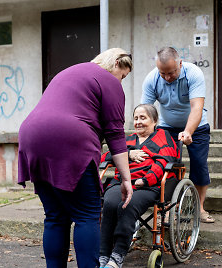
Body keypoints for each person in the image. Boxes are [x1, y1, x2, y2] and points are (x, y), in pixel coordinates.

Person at [17, 48, 134, 268]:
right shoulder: (108, 80)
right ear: (117, 63)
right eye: (123, 76)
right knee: (87, 216)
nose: (121, 82)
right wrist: (126, 179)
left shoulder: (69, 72)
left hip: (31, 136)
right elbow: (115, 134)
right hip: (70, 139)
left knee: (55, 216)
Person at [99, 104, 178, 268]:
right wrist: (128, 153)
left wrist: (146, 180)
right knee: (109, 204)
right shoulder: (128, 140)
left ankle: (118, 255)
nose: (138, 122)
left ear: (154, 120)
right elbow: (105, 157)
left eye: (143, 118)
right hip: (122, 181)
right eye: (136, 118)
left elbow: (165, 162)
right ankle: (103, 254)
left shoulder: (164, 138)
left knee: (127, 205)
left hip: (148, 185)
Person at [141, 47, 214, 223]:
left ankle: (200, 208)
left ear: (180, 64)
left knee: (199, 164)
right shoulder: (152, 79)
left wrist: (188, 132)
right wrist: (144, 132)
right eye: (163, 73)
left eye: (171, 73)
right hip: (167, 127)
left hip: (197, 127)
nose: (167, 77)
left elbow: (197, 107)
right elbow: (147, 110)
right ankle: (168, 209)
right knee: (168, 166)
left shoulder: (193, 74)